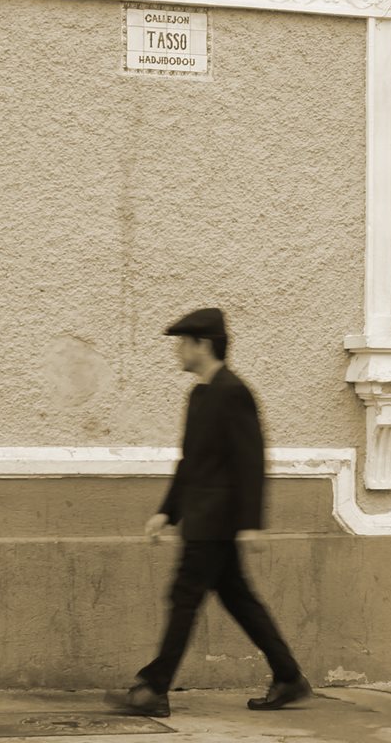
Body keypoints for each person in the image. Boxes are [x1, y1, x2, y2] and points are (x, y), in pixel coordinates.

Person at [104, 307, 311, 718]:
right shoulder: (200, 393)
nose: (178, 351)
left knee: (184, 598)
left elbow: (250, 461)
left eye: (184, 343)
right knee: (239, 600)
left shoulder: (234, 392)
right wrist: (167, 512)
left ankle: (154, 688)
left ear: (204, 345)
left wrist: (252, 523)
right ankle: (289, 677)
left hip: (217, 522)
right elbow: (191, 462)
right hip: (202, 518)